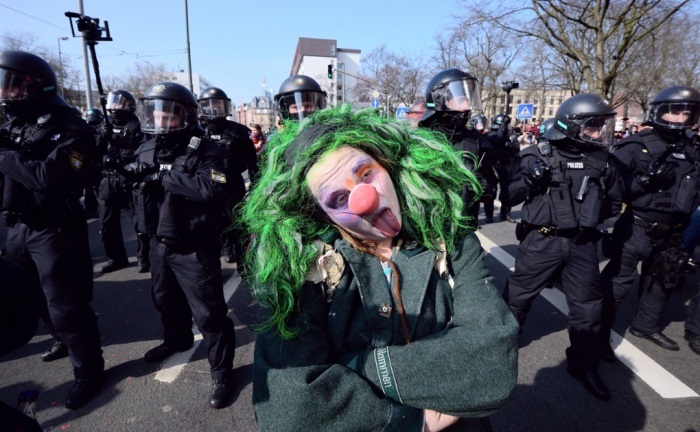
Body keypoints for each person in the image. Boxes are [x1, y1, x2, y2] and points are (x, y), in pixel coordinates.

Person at [245, 105, 519, 432]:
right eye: (337, 200)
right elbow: (287, 411)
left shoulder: (451, 238)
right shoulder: (305, 268)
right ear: (322, 215)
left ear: (386, 165)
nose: (365, 199)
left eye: (365, 174)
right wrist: (404, 419)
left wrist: (354, 368)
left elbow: (492, 362)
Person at [0, 50, 104, 409]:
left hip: (53, 227)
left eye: (11, 85)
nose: (5, 93)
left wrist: (4, 155)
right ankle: (60, 339)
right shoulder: (12, 123)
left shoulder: (71, 127)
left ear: (32, 85)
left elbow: (49, 178)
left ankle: (89, 370)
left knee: (66, 305)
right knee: (27, 292)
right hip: (18, 225)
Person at [503, 93, 623, 401]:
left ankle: (583, 364)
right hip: (541, 240)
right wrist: (530, 181)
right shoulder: (537, 154)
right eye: (593, 125)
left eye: (601, 125)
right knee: (517, 299)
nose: (600, 131)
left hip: (582, 244)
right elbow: (510, 196)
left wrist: (588, 219)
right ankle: (500, 350)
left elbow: (613, 204)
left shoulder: (603, 161)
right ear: (572, 125)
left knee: (588, 308)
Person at [128, 82, 237, 408]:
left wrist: (162, 176)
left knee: (210, 314)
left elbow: (211, 188)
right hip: (159, 243)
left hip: (193, 246)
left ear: (186, 116)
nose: (160, 120)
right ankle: (175, 340)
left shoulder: (209, 150)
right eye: (156, 113)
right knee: (165, 301)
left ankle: (221, 372)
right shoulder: (146, 147)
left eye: (169, 114)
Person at [600, 85, 700, 355]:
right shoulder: (635, 145)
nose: (681, 119)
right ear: (661, 112)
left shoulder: (693, 149)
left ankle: (646, 325)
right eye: (675, 112)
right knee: (618, 282)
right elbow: (610, 188)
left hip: (674, 229)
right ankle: (598, 335)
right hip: (638, 226)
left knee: (662, 279)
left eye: (688, 113)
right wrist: (645, 182)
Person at [418, 67, 490, 227]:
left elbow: (489, 188)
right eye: (459, 100)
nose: (466, 106)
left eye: (467, 99)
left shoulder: (476, 141)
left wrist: (483, 186)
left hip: (464, 230)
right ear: (439, 100)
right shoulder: (421, 141)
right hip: (429, 230)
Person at [198, 86, 258, 269]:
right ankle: (220, 257)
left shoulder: (238, 131)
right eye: (209, 105)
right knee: (211, 226)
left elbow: (251, 160)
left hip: (232, 184)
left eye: (218, 105)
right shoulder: (198, 131)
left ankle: (243, 263)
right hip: (207, 185)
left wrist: (256, 186)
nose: (214, 109)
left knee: (238, 225)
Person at [96, 89, 149, 273]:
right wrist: (101, 138)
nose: (115, 107)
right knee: (107, 224)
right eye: (114, 102)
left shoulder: (137, 128)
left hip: (129, 180)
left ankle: (144, 257)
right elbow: (93, 153)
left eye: (120, 103)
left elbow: (144, 153)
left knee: (139, 222)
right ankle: (116, 257)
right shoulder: (105, 125)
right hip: (109, 181)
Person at [489, 113, 518, 223]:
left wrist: (512, 144)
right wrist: (503, 126)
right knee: (491, 191)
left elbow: (516, 149)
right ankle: (489, 215)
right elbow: (497, 139)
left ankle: (505, 213)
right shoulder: (492, 134)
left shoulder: (510, 134)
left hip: (507, 166)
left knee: (507, 191)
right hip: (494, 166)